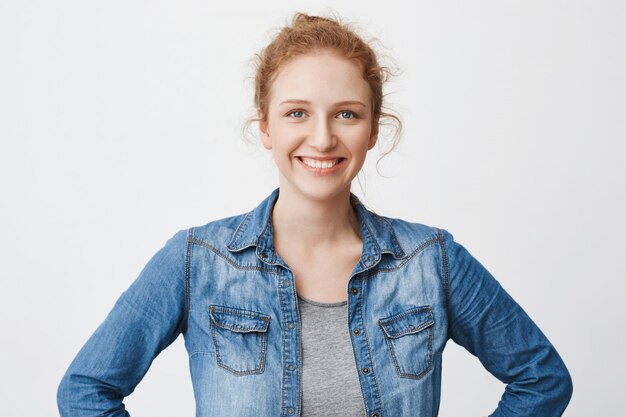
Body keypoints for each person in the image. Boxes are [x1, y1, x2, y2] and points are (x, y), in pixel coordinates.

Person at [57, 12, 573, 417]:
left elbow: (541, 378)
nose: (323, 138)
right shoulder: (197, 261)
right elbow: (85, 392)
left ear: (373, 131)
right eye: (297, 113)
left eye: (346, 113)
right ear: (266, 128)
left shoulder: (431, 261)